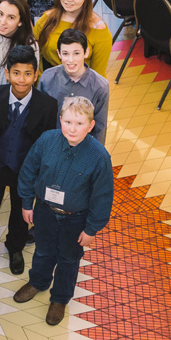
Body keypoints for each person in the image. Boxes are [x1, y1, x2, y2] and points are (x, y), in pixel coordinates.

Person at [15, 96, 114, 326]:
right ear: (60, 120)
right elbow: (29, 171)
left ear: (91, 126)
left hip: (75, 219)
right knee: (42, 251)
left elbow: (102, 197)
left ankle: (59, 298)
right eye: (68, 122)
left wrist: (92, 229)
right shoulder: (46, 140)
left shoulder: (100, 157)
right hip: (45, 211)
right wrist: (27, 202)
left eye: (80, 124)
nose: (72, 128)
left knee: (69, 259)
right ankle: (38, 282)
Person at [0, 46, 57, 273]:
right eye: (16, 73)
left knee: (21, 211)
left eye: (28, 74)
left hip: (25, 167)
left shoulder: (47, 105)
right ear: (7, 73)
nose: (22, 80)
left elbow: (46, 142)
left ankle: (15, 248)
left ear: (36, 74)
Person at [34, 0, 112, 76]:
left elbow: (98, 77)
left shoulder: (99, 31)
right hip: (46, 82)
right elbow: (33, 53)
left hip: (79, 87)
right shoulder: (47, 18)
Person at [38, 28, 109, 144]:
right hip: (52, 146)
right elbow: (40, 119)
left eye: (76, 53)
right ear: (59, 54)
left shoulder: (100, 86)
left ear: (86, 52)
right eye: (65, 53)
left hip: (83, 149)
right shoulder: (47, 79)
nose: (71, 60)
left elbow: (100, 128)